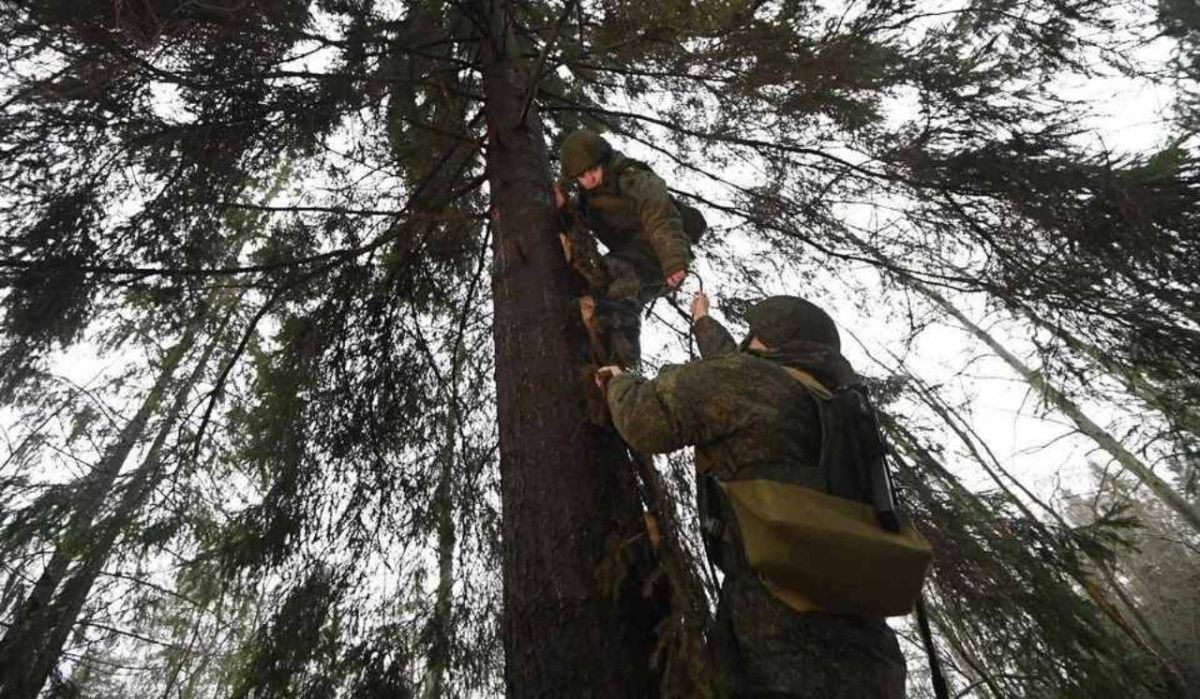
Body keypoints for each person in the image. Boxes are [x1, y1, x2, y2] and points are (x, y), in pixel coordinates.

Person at [596, 292, 908, 699]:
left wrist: (619, 382)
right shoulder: (833, 402)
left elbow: (645, 420)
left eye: (752, 334)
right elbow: (735, 376)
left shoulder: (747, 380)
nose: (745, 342)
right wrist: (703, 322)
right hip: (869, 648)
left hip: (779, 640)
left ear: (767, 338)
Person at [555, 129, 694, 367]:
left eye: (592, 171)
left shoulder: (632, 178)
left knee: (618, 283)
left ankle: (623, 368)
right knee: (598, 283)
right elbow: (578, 222)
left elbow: (659, 214)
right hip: (631, 255)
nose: (588, 180)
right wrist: (562, 208)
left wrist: (672, 259)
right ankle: (599, 356)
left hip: (659, 255)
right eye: (581, 177)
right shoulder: (589, 198)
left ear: (604, 162)